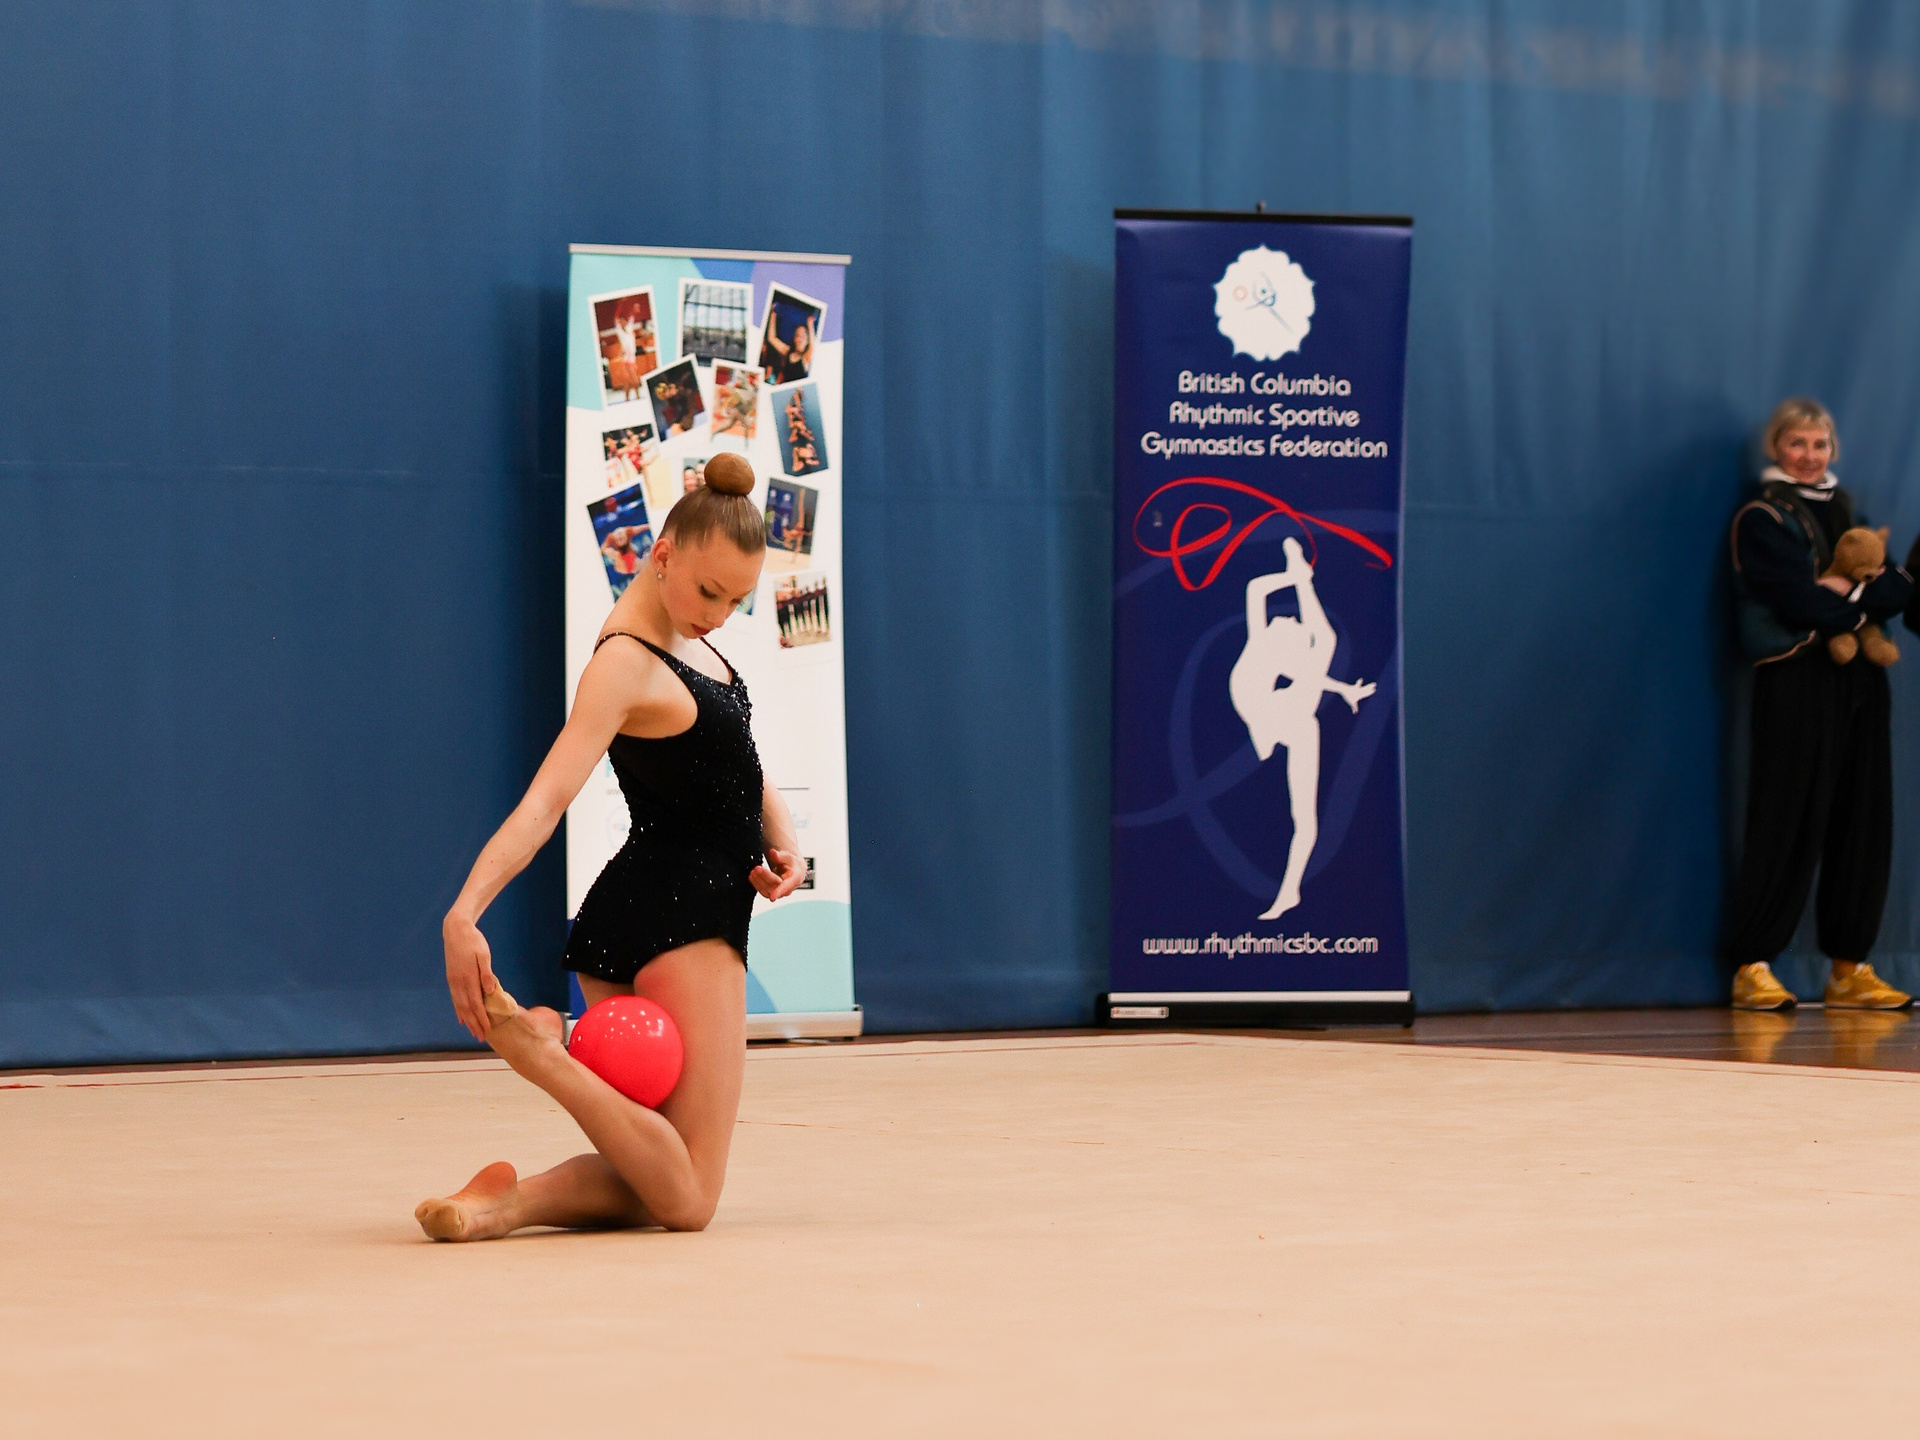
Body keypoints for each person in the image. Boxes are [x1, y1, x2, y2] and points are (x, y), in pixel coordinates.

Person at [418, 453, 807, 1240]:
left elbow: (738, 759)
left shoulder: (690, 644)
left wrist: (785, 839)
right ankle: (543, 1054)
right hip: (684, 917)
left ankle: (504, 1202)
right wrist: (464, 913)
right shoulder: (625, 660)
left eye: (737, 599)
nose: (720, 613)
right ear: (662, 554)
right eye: (709, 591)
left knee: (652, 1161)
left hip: (644, 911)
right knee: (690, 1198)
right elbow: (545, 803)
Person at [1724, 398, 1914, 1011]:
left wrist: (1845, 595)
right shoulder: (1761, 517)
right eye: (1797, 443)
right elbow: (1795, 601)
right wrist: (1857, 598)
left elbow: (1893, 589)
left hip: (1861, 681)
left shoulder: (1849, 510)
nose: (1809, 456)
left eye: (1819, 444)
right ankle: (1752, 965)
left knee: (1863, 820)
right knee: (1787, 817)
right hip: (1796, 676)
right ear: (1775, 448)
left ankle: (1848, 969)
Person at [1228, 537, 1375, 920]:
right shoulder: (1262, 642)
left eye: (1293, 623)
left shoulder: (1272, 651)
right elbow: (1256, 589)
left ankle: (1290, 891)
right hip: (1269, 714)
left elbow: (1309, 672)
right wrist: (1294, 576)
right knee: (1323, 642)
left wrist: (1298, 577)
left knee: (1305, 819)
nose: (1288, 618)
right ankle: (1289, 891)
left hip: (1287, 717)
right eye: (1290, 621)